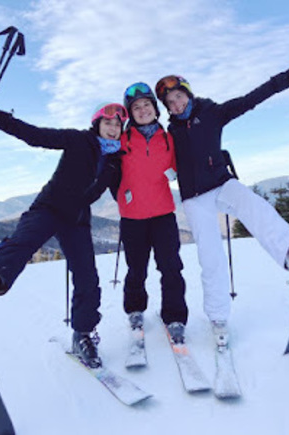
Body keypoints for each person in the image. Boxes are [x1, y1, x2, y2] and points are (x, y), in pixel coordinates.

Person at [0, 92, 128, 368]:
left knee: (87, 278)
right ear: (96, 123)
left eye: (118, 124)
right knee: (23, 243)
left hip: (77, 219)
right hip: (48, 208)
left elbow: (123, 193)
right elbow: (33, 135)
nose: (113, 128)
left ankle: (83, 335)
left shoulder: (114, 161)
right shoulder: (77, 140)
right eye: (107, 122)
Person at [154, 67, 289, 346]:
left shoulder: (212, 113)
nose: (176, 104)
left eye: (178, 97)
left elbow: (249, 100)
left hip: (221, 184)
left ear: (188, 94)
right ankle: (218, 318)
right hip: (194, 198)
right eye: (170, 102)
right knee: (210, 256)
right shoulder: (171, 132)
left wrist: (284, 80)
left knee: (252, 203)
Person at [115, 82, 188, 344]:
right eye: (136, 107)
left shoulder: (169, 139)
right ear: (130, 113)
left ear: (156, 109)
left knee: (171, 267)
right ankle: (135, 310)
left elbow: (185, 166)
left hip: (163, 214)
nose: (142, 110)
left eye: (146, 104)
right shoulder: (121, 141)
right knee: (136, 269)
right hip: (132, 216)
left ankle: (175, 316)